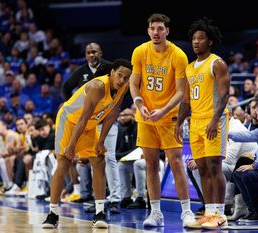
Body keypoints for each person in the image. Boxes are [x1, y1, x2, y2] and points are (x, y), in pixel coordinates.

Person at [42, 59, 132, 229]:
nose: (122, 80)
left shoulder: (123, 88)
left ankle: (99, 212)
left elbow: (112, 115)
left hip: (89, 124)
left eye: (126, 78)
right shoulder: (98, 87)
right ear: (111, 72)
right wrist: (71, 146)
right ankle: (52, 213)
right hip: (69, 121)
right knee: (64, 163)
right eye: (119, 75)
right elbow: (82, 118)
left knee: (99, 161)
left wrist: (101, 142)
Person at [129, 13, 195, 228]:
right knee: (150, 164)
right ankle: (155, 213)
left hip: (169, 117)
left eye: (160, 28)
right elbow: (134, 82)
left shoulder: (178, 55)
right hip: (146, 116)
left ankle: (187, 211)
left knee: (176, 162)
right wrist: (139, 103)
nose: (156, 33)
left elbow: (180, 91)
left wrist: (163, 109)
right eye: (152, 29)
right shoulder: (140, 51)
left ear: (167, 31)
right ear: (148, 31)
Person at [175, 17, 230, 229]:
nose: (196, 42)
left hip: (214, 119)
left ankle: (221, 214)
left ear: (210, 42)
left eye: (201, 38)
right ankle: (208, 213)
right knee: (202, 169)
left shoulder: (217, 63)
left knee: (215, 167)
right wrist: (179, 123)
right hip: (195, 121)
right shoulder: (189, 68)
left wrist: (215, 119)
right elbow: (186, 100)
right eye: (194, 39)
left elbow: (224, 95)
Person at [63, 42, 122, 211]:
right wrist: (71, 106)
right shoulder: (81, 71)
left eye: (94, 52)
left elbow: (122, 89)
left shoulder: (112, 68)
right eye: (88, 52)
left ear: (100, 53)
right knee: (94, 161)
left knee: (109, 157)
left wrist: (117, 110)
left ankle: (115, 199)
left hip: (107, 122)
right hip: (90, 123)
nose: (91, 55)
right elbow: (66, 87)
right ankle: (99, 202)